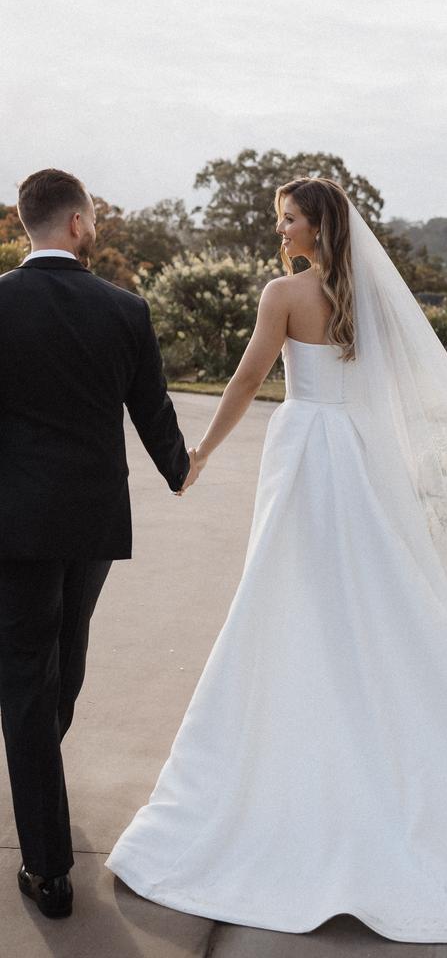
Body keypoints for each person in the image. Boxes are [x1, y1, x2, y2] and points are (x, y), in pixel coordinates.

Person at [106, 177, 447, 944]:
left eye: (288, 218)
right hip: (356, 458)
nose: (281, 230)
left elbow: (249, 379)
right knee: (375, 601)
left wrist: (199, 454)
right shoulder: (367, 298)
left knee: (288, 599)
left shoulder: (284, 295)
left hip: (304, 456)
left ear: (317, 226)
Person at [0, 168, 196, 919]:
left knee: (27, 675)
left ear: (27, 225)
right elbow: (153, 409)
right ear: (77, 224)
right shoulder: (125, 309)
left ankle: (43, 838)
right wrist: (182, 469)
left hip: (12, 523)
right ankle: (46, 843)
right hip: (89, 523)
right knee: (61, 663)